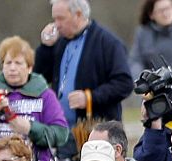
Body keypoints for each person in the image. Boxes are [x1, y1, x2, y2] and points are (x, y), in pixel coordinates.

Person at [33, 0, 133, 134]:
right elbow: (38, 79)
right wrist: (46, 47)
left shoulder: (108, 42)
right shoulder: (59, 42)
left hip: (98, 133)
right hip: (61, 132)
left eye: (61, 18)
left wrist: (90, 97)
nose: (56, 24)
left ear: (78, 15)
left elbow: (125, 83)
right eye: (54, 19)